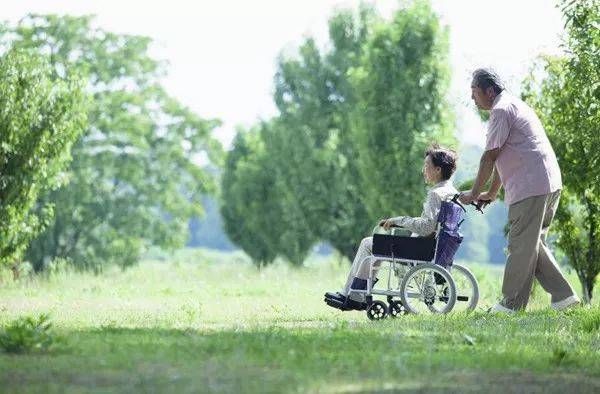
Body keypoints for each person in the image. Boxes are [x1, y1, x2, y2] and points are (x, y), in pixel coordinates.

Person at [459, 68, 579, 313]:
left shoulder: (501, 111)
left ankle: (510, 305)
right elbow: (504, 156)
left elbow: (489, 157)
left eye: (474, 91)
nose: (472, 98)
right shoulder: (514, 105)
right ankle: (565, 298)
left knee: (520, 245)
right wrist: (491, 193)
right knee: (532, 245)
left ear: (489, 90)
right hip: (547, 182)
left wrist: (472, 193)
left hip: (531, 186)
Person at [325, 144, 458, 310]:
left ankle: (354, 296)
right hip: (434, 248)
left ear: (438, 170)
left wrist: (399, 220)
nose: (424, 170)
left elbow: (427, 227)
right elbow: (432, 224)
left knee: (368, 243)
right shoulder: (451, 192)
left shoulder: (435, 194)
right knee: (376, 245)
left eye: (427, 166)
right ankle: (355, 294)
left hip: (421, 249)